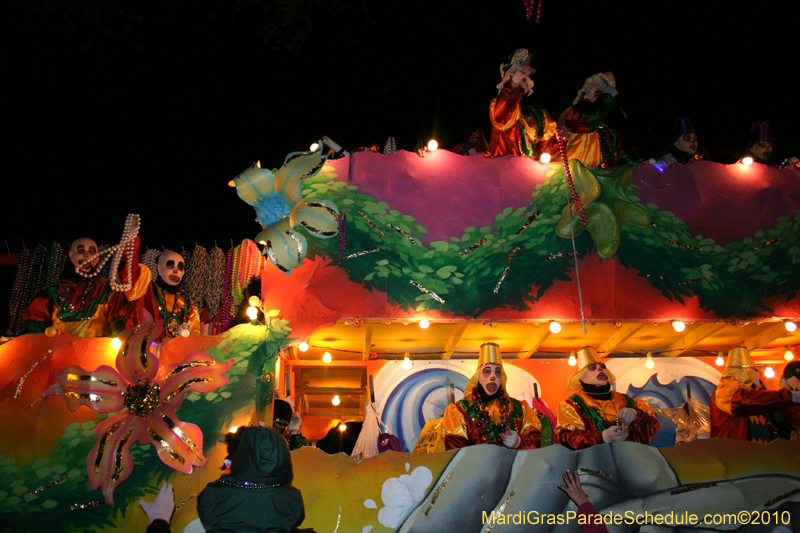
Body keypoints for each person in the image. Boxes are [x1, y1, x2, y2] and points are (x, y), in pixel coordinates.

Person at [22, 224, 152, 337]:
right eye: (80, 250)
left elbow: (118, 323)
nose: (86, 255)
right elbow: (35, 324)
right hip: (57, 356)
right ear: (70, 255)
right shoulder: (51, 292)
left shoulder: (109, 290)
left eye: (91, 251)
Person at [441, 342, 549, 450]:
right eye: (487, 372)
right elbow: (455, 452)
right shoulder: (460, 410)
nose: (493, 377)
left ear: (501, 378)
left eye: (497, 372)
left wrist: (519, 441)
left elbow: (537, 442)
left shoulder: (520, 409)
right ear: (478, 377)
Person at [197, 426, 307, 532]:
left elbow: (204, 514)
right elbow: (296, 520)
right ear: (282, 456)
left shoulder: (213, 492)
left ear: (241, 452)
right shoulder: (292, 498)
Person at [556, 346, 658, 450]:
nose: (600, 369)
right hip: (595, 462)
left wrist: (637, 416)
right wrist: (603, 436)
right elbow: (570, 438)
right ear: (582, 376)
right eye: (592, 368)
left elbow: (651, 429)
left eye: (602, 366)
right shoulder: (573, 404)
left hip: (631, 457)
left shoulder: (625, 399)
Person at [710, 347, 800, 444]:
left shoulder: (760, 394)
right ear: (746, 372)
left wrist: (788, 397)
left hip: (759, 452)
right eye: (755, 369)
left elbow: (790, 421)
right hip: (734, 452)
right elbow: (741, 402)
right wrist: (788, 395)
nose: (758, 373)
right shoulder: (726, 389)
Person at [487, 48, 559, 159]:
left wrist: (560, 139)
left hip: (527, 173)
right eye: (517, 81)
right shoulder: (501, 107)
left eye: (524, 80)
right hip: (503, 170)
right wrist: (515, 81)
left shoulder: (540, 116)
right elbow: (502, 110)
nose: (520, 83)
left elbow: (546, 150)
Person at [556, 73, 621, 169]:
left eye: (600, 96)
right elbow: (587, 120)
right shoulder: (573, 113)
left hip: (590, 173)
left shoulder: (600, 123)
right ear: (583, 94)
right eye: (598, 95)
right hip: (569, 170)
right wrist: (607, 97)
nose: (598, 100)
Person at [143, 250, 201, 339]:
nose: (175, 271)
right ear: (159, 269)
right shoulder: (146, 293)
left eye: (180, 267)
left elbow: (194, 338)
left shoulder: (187, 308)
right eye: (170, 265)